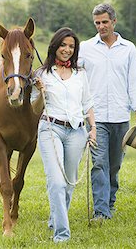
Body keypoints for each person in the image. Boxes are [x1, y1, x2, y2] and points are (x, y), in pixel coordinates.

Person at [77, 3, 136, 222]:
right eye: (97, 23)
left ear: (114, 22)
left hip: (120, 117)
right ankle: (100, 212)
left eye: (105, 22)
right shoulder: (86, 48)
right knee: (99, 163)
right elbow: (74, 74)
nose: (101, 26)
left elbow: (134, 81)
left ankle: (109, 203)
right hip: (95, 119)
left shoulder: (128, 48)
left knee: (114, 164)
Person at [31, 27, 96, 243]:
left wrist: (93, 128)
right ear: (54, 46)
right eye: (63, 45)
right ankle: (61, 234)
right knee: (57, 182)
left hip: (77, 130)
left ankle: (55, 218)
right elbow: (34, 108)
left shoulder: (80, 74)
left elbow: (87, 104)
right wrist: (41, 92)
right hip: (51, 128)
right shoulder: (41, 75)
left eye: (71, 46)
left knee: (69, 183)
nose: (67, 50)